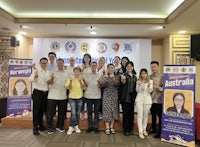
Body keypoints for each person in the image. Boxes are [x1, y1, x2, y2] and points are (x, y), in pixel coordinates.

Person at [46, 58, 69, 134]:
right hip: (52, 96)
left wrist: (68, 93)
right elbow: (48, 82)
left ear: (63, 64)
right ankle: (49, 127)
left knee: (61, 113)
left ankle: (60, 126)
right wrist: (52, 79)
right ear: (56, 64)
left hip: (63, 96)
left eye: (61, 63)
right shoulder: (52, 72)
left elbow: (68, 84)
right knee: (51, 113)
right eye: (58, 63)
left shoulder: (67, 73)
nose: (60, 65)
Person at [29, 57, 49, 135]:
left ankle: (40, 125)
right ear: (40, 64)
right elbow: (30, 80)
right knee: (36, 111)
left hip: (46, 93)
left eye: (45, 63)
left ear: (47, 64)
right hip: (37, 93)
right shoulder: (36, 71)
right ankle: (35, 127)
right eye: (42, 63)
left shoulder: (48, 72)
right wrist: (35, 76)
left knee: (42, 110)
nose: (44, 64)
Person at [65, 66, 86, 135]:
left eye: (78, 71)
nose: (76, 73)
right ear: (73, 72)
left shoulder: (81, 79)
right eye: (75, 71)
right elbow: (69, 87)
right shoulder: (70, 79)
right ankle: (71, 126)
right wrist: (71, 81)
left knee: (77, 113)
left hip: (80, 98)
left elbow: (83, 87)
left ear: (80, 72)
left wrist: (80, 81)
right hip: (72, 98)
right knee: (73, 113)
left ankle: (76, 126)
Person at [100, 64, 119, 135]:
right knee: (106, 110)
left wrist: (113, 78)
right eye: (109, 68)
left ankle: (111, 127)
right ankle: (107, 127)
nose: (111, 69)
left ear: (114, 69)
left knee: (113, 110)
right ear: (107, 69)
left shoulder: (117, 76)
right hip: (106, 95)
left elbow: (118, 85)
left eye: (112, 68)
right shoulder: (104, 76)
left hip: (114, 95)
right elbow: (102, 85)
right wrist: (105, 79)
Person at [119, 61, 137, 136]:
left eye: (131, 66)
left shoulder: (135, 76)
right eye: (128, 66)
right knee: (125, 114)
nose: (129, 67)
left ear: (133, 67)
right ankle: (125, 129)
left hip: (132, 97)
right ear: (126, 68)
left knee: (131, 114)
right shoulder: (123, 75)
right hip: (125, 97)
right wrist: (122, 81)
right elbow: (121, 85)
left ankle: (130, 129)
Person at [135, 68, 153, 139]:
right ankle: (140, 132)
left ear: (147, 74)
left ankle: (144, 129)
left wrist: (148, 86)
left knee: (145, 116)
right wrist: (139, 85)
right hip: (139, 100)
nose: (144, 75)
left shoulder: (150, 81)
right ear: (140, 74)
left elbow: (150, 91)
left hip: (147, 100)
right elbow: (137, 90)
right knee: (140, 116)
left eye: (145, 73)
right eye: (142, 73)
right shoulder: (138, 81)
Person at [84, 62, 101, 133]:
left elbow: (101, 86)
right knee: (89, 112)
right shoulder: (87, 74)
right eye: (92, 66)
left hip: (97, 96)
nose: (93, 67)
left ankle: (96, 127)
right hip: (88, 96)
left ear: (97, 66)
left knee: (97, 112)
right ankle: (90, 126)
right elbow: (85, 85)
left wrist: (100, 83)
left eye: (95, 66)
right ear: (90, 67)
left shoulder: (100, 74)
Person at [149, 61, 163, 138]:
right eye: (152, 67)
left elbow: (166, 87)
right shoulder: (149, 77)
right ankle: (153, 128)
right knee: (153, 115)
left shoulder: (162, 76)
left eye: (154, 66)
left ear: (158, 67)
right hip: (151, 99)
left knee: (160, 116)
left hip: (159, 99)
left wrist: (159, 88)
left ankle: (160, 132)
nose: (153, 68)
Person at [80, 53, 92, 120]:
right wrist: (83, 68)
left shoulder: (91, 66)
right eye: (85, 58)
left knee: (88, 101)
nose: (86, 59)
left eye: (88, 58)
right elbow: (78, 73)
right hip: (82, 86)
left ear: (90, 59)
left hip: (89, 86)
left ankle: (88, 114)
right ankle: (82, 114)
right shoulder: (81, 66)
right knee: (82, 101)